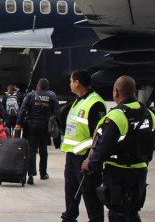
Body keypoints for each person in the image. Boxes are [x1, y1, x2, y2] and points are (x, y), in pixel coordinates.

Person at [82, 75, 155, 222]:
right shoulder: (149, 114)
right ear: (134, 92)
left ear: (116, 92)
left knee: (118, 214)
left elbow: (104, 146)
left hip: (118, 173)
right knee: (133, 211)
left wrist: (90, 164)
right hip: (140, 171)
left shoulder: (117, 116)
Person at [61, 70, 107, 222]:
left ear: (77, 82)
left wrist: (91, 158)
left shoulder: (95, 103)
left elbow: (98, 132)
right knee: (71, 189)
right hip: (73, 154)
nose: (69, 84)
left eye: (71, 81)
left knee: (90, 193)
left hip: (85, 156)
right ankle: (69, 217)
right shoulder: (78, 100)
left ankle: (95, 219)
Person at [15, 78, 59, 184]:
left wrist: (19, 124)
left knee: (31, 150)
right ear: (47, 87)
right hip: (44, 126)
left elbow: (23, 110)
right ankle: (43, 173)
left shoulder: (31, 95)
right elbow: (57, 112)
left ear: (37, 86)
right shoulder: (52, 96)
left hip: (31, 125)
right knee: (43, 150)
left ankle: (30, 175)